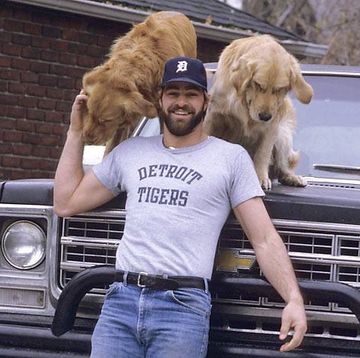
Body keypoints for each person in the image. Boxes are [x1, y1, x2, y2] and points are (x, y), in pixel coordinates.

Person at [54, 56, 307, 357]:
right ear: (160, 99)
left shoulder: (231, 158)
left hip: (182, 307)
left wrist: (293, 299)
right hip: (120, 302)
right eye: (173, 93)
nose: (181, 102)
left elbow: (263, 238)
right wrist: (75, 133)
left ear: (206, 100)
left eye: (191, 94)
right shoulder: (130, 153)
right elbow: (66, 201)